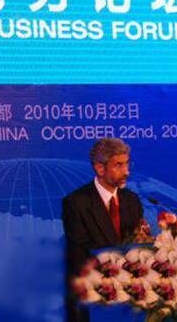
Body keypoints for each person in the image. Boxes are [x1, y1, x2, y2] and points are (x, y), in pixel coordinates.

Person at [62, 138, 145, 322]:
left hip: (129, 301)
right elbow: (80, 256)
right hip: (93, 299)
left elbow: (139, 246)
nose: (126, 171)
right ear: (100, 168)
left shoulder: (132, 201)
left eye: (127, 164)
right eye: (118, 165)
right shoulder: (76, 203)